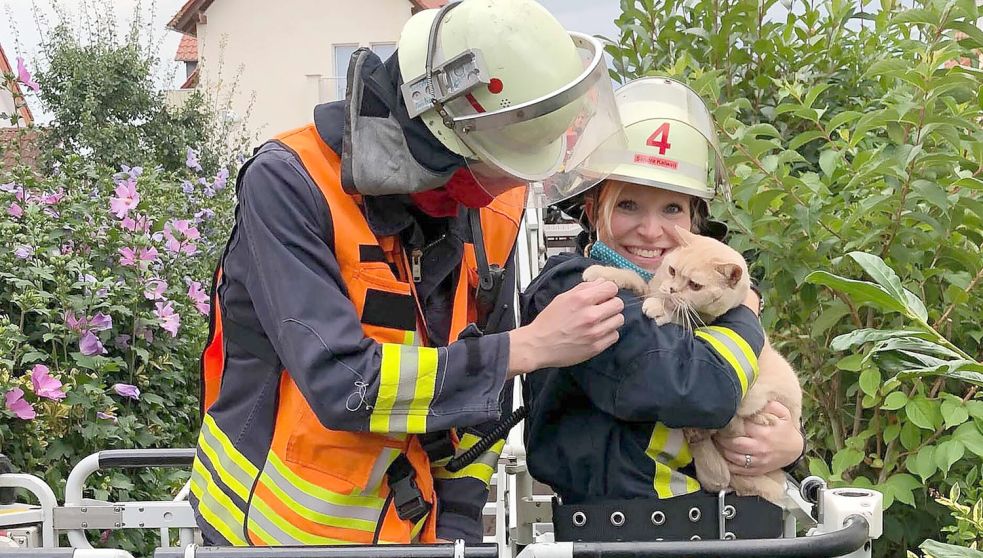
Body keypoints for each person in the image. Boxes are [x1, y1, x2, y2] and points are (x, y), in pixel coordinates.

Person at [189, 0, 629, 547]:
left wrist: (458, 526)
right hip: (270, 536)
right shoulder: (288, 184)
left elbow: (481, 403)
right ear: (439, 146)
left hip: (413, 535)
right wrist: (528, 348)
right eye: (496, 172)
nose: (504, 190)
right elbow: (343, 385)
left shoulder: (495, 209)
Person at [521, 77, 805, 539]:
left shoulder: (701, 298)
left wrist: (789, 445)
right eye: (629, 204)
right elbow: (695, 388)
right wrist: (746, 316)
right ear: (593, 210)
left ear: (694, 221)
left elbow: (757, 396)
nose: (651, 231)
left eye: (672, 209)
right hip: (623, 539)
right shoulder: (570, 289)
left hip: (734, 534)